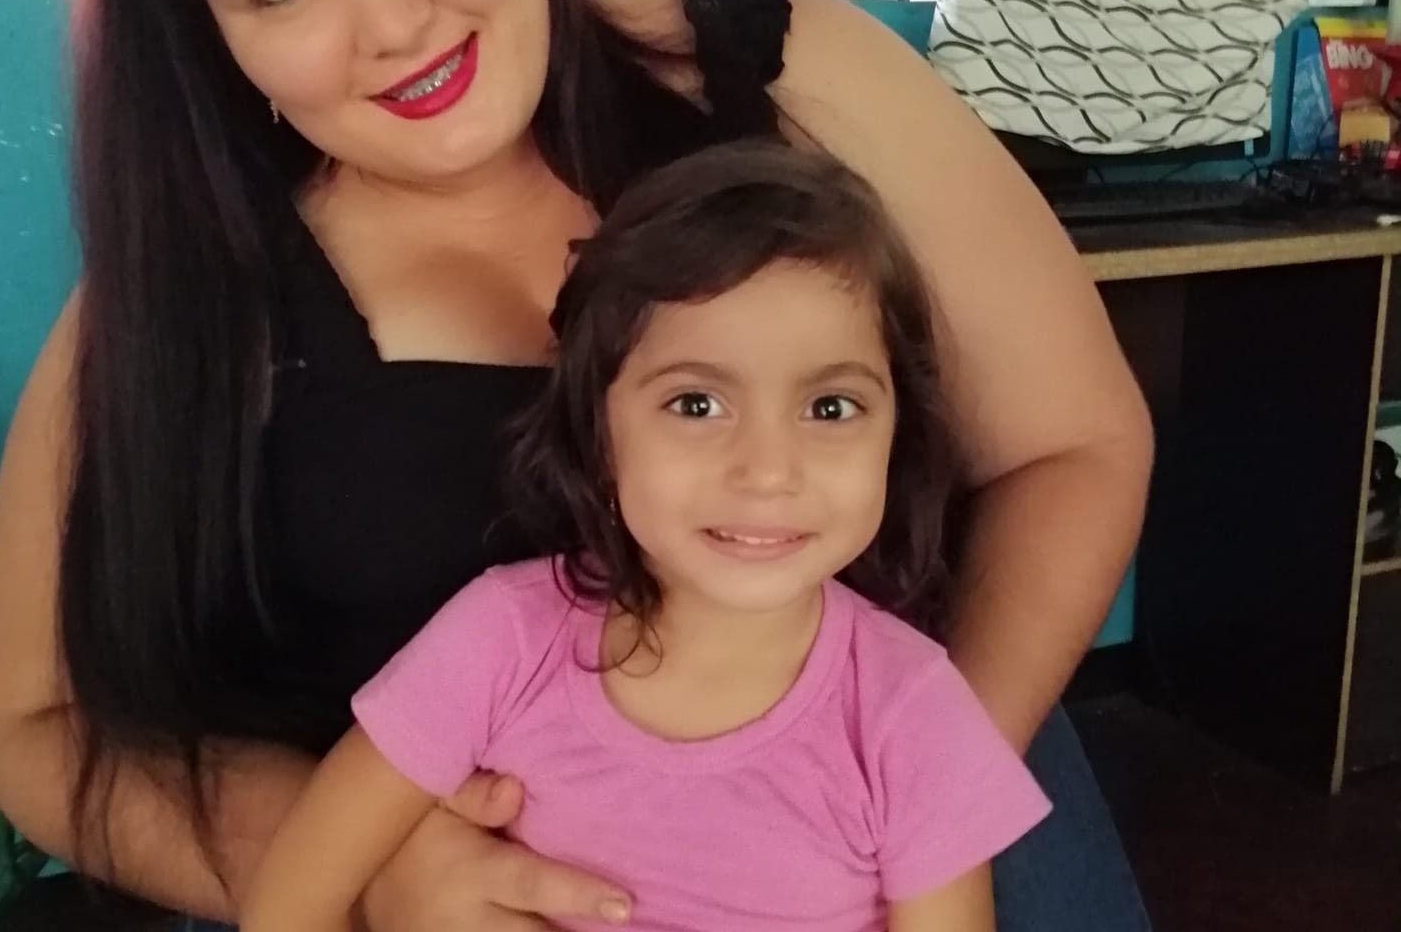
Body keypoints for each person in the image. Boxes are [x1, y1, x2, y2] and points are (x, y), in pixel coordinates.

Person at [0, 0, 1153, 931]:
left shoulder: (796, 76)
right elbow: (28, 721)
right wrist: (358, 868)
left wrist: (897, 816)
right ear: (213, 35)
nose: (393, 21)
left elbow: (1075, 446)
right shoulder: (184, 296)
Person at [242, 140, 1052, 932]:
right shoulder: (500, 640)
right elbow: (298, 892)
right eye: (696, 404)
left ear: (896, 436)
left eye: (830, 407)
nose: (769, 470)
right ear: (599, 438)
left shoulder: (913, 712)